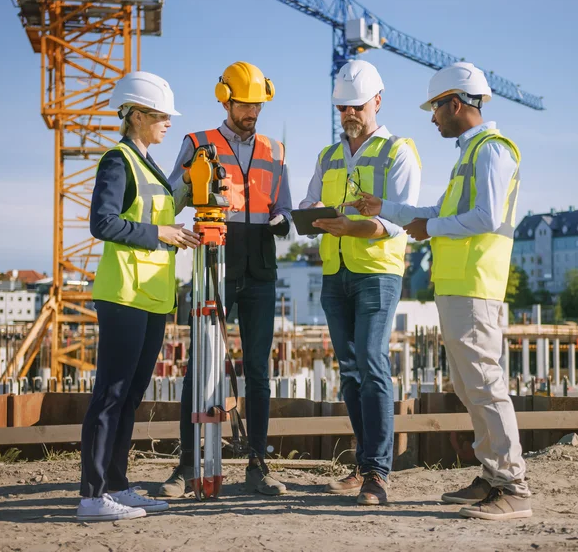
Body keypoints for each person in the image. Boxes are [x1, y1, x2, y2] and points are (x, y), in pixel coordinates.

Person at [345, 62, 533, 520]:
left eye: (435, 109)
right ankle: (492, 476)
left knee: (485, 385)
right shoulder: (470, 154)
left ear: (455, 103)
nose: (432, 119)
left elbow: (485, 217)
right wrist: (385, 206)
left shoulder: (491, 151)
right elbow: (441, 211)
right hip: (458, 286)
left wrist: (430, 226)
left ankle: (513, 486)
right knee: (471, 388)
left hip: (475, 285)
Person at [159, 61, 292, 498]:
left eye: (257, 105)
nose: (251, 113)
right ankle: (185, 468)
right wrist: (194, 183)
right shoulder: (198, 142)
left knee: (258, 371)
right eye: (244, 105)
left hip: (261, 269)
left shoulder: (275, 150)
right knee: (201, 367)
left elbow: (285, 208)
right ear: (225, 99)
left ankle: (258, 464)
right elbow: (171, 201)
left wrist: (283, 220)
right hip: (213, 264)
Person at [78, 71, 199, 522]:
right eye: (161, 115)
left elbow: (156, 217)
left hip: (151, 297)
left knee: (130, 396)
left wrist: (176, 224)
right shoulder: (118, 160)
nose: (168, 122)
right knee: (110, 394)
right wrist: (159, 233)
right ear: (136, 115)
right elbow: (103, 223)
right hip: (124, 293)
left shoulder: (148, 164)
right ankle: (91, 496)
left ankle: (117, 485)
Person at [301, 59, 421, 505]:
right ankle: (364, 462)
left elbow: (400, 221)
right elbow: (310, 203)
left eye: (357, 106)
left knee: (371, 361)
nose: (349, 114)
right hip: (335, 273)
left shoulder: (398, 151)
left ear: (377, 101)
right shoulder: (329, 155)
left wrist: (351, 227)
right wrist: (307, 218)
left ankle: (378, 474)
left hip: (377, 273)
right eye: (342, 108)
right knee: (350, 371)